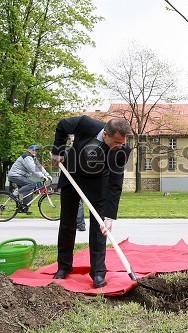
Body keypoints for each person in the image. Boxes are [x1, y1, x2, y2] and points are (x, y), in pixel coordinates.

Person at [51, 115, 132, 288]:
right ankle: (63, 267)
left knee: (99, 227)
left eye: (123, 142)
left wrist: (110, 216)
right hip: (72, 174)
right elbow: (62, 125)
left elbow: (115, 182)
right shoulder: (86, 124)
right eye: (117, 142)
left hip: (98, 183)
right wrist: (57, 152)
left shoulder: (123, 149)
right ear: (105, 135)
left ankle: (98, 273)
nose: (121, 146)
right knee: (67, 223)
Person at [8, 145, 53, 214]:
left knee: (30, 190)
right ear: (29, 150)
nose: (35, 152)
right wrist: (42, 176)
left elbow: (40, 167)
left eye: (36, 150)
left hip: (21, 176)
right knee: (32, 184)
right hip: (15, 175)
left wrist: (47, 175)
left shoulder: (33, 157)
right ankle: (16, 192)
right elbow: (33, 169)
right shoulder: (27, 156)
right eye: (33, 150)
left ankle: (24, 207)